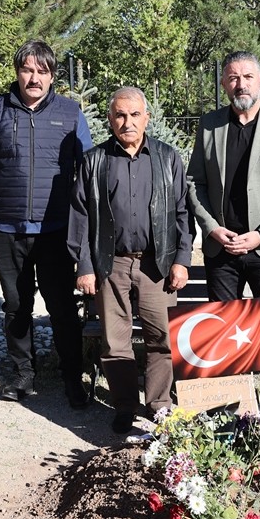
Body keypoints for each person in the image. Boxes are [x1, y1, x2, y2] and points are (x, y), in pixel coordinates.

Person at [0, 39, 92, 407]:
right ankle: (23, 375)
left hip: (56, 231)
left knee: (62, 308)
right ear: (18, 71)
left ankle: (72, 377)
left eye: (42, 71)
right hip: (6, 230)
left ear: (52, 76)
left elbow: (86, 172)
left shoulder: (70, 114)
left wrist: (84, 226)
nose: (34, 78)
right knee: (16, 306)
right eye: (27, 70)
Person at [186, 51, 260, 414]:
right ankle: (229, 403)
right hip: (222, 244)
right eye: (233, 77)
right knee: (222, 325)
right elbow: (196, 183)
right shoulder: (209, 125)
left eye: (248, 77)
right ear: (224, 83)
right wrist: (211, 227)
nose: (241, 84)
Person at [68, 87, 192, 434]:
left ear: (146, 118)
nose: (127, 122)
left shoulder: (168, 158)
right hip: (112, 263)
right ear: (110, 119)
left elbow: (182, 213)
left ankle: (159, 405)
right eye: (120, 115)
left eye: (135, 115)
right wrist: (85, 266)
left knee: (161, 338)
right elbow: (80, 217)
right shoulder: (94, 161)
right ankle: (124, 405)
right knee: (115, 341)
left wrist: (181, 260)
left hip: (157, 264)